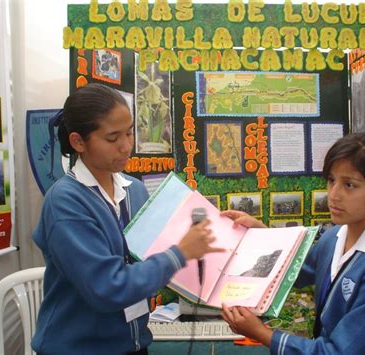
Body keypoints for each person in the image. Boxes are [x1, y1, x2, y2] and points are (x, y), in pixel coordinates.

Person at [32, 83, 224, 354]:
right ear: (78, 142)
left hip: (132, 345)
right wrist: (180, 252)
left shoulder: (134, 190)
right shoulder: (65, 202)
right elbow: (108, 288)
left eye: (130, 132)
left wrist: (214, 230)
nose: (126, 146)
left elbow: (152, 252)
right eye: (112, 138)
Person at [221, 132, 365, 354]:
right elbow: (296, 270)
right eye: (331, 180)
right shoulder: (336, 237)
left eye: (349, 185)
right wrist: (260, 233)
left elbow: (340, 352)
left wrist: (262, 334)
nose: (334, 195)